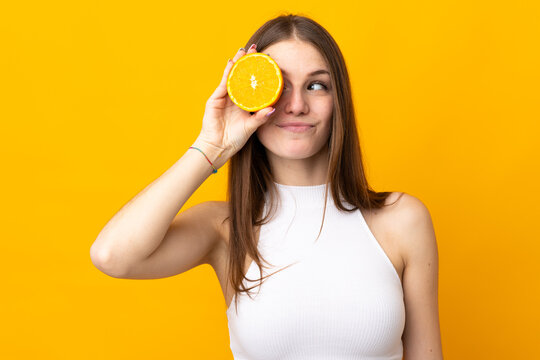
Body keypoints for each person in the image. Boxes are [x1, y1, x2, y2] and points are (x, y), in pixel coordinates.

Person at [90, 13, 443, 360]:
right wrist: (213, 147)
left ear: (340, 102)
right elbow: (112, 256)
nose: (296, 105)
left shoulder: (403, 220)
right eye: (281, 86)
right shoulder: (226, 229)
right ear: (251, 98)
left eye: (316, 85)